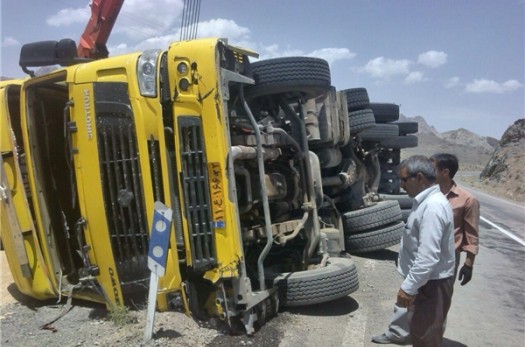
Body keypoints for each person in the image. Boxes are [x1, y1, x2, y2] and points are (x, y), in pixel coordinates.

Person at [372, 155, 455, 347]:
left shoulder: (433, 207)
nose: (401, 185)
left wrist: (408, 287)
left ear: (419, 178)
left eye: (403, 180)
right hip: (426, 282)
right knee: (420, 332)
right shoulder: (427, 202)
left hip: (430, 284)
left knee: (425, 337)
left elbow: (427, 256)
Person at [430, 153, 480, 283]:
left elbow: (472, 235)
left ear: (445, 172)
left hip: (447, 259)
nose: (427, 172)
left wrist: (468, 265)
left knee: (440, 300)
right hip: (423, 253)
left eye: (432, 169)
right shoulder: (427, 194)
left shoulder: (467, 200)